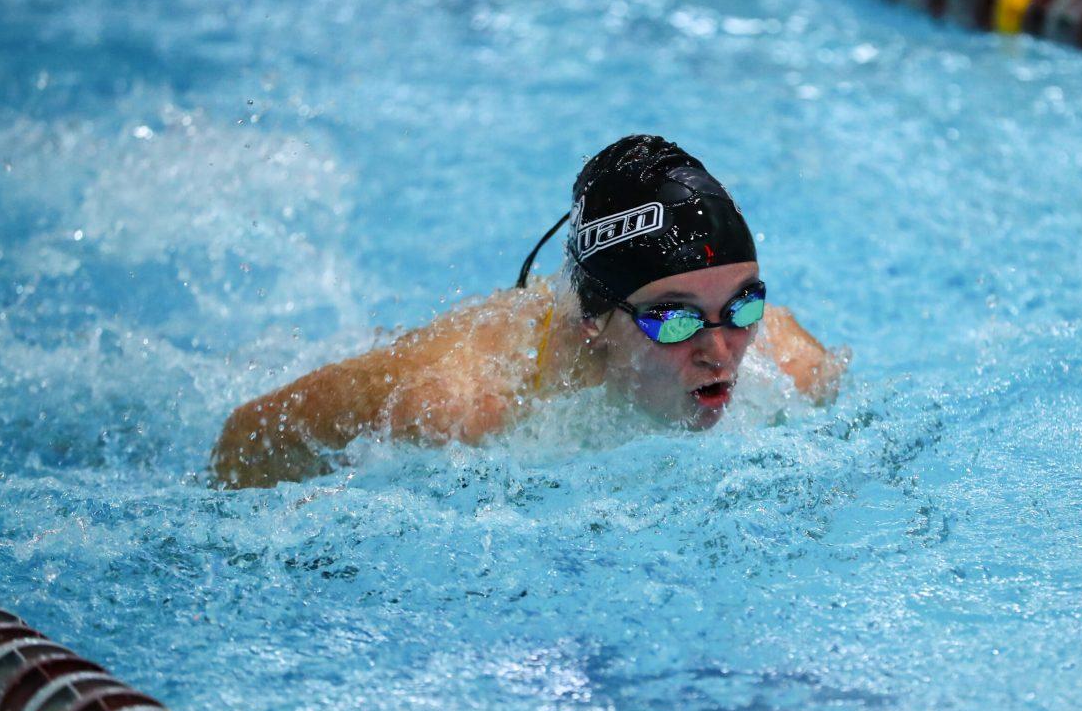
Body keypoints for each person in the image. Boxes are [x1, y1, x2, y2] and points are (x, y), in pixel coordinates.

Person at [211, 135, 846, 489]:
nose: (719, 351)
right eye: (674, 318)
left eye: (742, 305)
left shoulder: (791, 367)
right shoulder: (460, 402)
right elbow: (247, 439)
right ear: (593, 321)